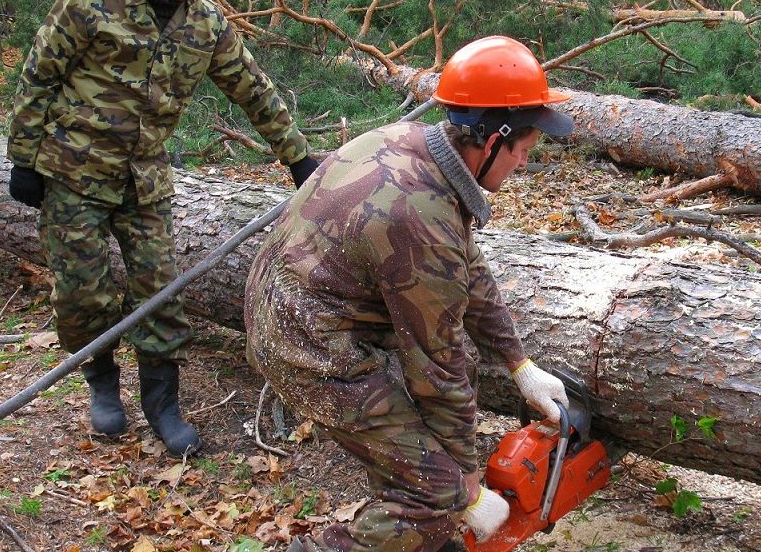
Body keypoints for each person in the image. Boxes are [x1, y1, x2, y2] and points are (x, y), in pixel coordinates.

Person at [6, 0, 319, 456]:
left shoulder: (207, 25)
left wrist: (297, 159)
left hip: (144, 182)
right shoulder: (88, 1)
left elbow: (252, 90)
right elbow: (39, 76)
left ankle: (161, 402)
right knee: (83, 294)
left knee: (161, 290)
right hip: (73, 174)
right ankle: (102, 386)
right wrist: (24, 159)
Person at [244, 35, 573, 552]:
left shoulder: (416, 146)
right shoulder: (421, 217)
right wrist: (464, 486)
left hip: (297, 308)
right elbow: (438, 367)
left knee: (424, 463)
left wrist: (518, 363)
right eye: (524, 150)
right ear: (492, 141)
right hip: (306, 345)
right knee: (433, 495)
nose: (526, 164)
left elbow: (467, 266)